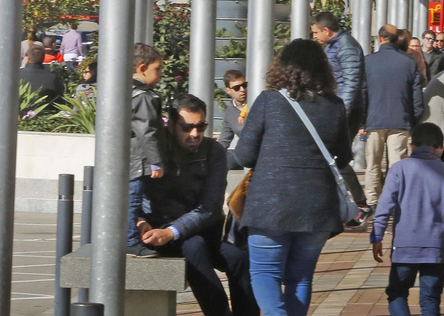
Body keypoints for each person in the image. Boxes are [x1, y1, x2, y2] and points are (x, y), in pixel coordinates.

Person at [233, 38, 351, 316]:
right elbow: (343, 157)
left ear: (282, 67)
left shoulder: (268, 101)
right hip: (318, 207)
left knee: (265, 272)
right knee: (301, 276)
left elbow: (244, 155)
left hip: (270, 204)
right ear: (323, 69)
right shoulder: (334, 106)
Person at [139, 95, 258, 316]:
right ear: (172, 124)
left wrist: (172, 231)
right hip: (160, 228)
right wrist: (139, 220)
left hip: (201, 227)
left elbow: (211, 207)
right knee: (194, 246)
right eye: (187, 127)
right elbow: (133, 190)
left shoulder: (213, 151)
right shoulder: (156, 150)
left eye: (200, 126)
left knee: (239, 257)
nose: (194, 134)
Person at [369, 123, 444, 316]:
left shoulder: (398, 170)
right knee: (430, 299)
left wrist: (377, 236)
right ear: (441, 148)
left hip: (404, 247)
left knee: (397, 293)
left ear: (411, 145)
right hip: (436, 248)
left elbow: (384, 207)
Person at [363, 26, 425, 208]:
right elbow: (417, 96)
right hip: (400, 120)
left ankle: (373, 201)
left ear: (380, 39)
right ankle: (395, 200)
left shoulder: (368, 61)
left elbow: (363, 93)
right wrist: (414, 121)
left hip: (374, 120)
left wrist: (362, 121)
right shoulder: (408, 62)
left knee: (373, 164)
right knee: (396, 164)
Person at [128, 42, 166, 253]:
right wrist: (156, 161)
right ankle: (131, 241)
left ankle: (138, 236)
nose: (160, 74)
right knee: (134, 200)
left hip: (133, 159)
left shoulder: (132, 92)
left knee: (137, 200)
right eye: (157, 69)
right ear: (142, 68)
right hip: (138, 160)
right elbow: (147, 131)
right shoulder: (142, 97)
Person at [311, 11, 367, 144]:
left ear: (326, 30)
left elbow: (351, 83)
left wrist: (342, 112)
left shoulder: (346, 46)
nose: (314, 36)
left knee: (337, 149)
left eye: (316, 32)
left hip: (346, 108)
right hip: (336, 104)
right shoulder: (334, 45)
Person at [218, 69, 249, 169]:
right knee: (225, 159)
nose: (242, 90)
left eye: (244, 85)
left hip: (263, 150)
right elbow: (224, 141)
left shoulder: (255, 102)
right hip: (245, 152)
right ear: (228, 90)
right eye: (237, 88)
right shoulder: (229, 112)